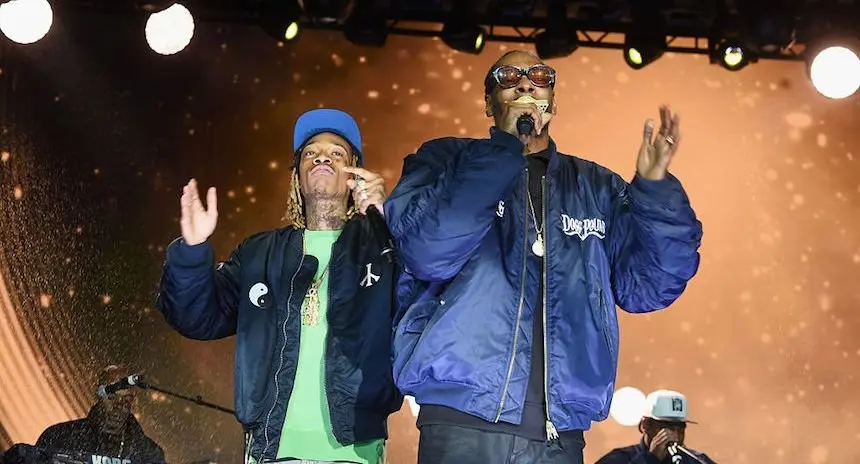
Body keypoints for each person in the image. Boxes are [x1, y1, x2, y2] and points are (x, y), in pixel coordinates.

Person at [384, 49, 703, 464]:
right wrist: (504, 147)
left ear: (553, 101)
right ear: (488, 103)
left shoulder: (595, 187)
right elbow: (429, 251)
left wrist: (655, 188)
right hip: (462, 419)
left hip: (559, 433)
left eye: (538, 76)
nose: (524, 83)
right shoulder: (446, 160)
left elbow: (651, 286)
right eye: (508, 76)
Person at [155, 108, 402, 464]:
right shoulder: (260, 254)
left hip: (356, 452)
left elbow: (428, 288)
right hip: (272, 450)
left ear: (355, 175)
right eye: (310, 153)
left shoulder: (383, 246)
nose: (322, 157)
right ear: (297, 178)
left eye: (337, 152)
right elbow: (195, 317)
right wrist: (192, 252)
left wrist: (385, 215)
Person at [1, 365, 164, 464]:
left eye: (126, 400)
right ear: (98, 396)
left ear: (133, 401)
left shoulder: (149, 452)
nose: (118, 406)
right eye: (112, 398)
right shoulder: (59, 437)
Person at [596, 390, 716, 464]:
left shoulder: (697, 460)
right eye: (666, 428)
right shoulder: (619, 459)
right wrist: (650, 459)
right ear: (645, 425)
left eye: (679, 429)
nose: (674, 436)